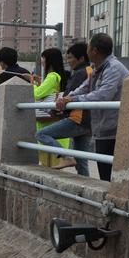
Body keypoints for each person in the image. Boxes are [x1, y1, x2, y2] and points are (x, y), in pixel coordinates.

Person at [56, 33, 129, 181]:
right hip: (104, 128)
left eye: (88, 47)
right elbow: (84, 88)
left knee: (112, 176)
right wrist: (67, 98)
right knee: (104, 174)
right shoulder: (97, 68)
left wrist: (72, 99)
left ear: (94, 50)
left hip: (117, 130)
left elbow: (103, 95)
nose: (87, 51)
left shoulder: (113, 68)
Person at [35, 43, 92, 175]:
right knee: (81, 161)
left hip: (78, 118)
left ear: (81, 58)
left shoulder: (79, 73)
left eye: (71, 57)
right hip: (90, 120)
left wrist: (55, 111)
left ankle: (66, 157)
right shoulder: (91, 71)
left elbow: (69, 94)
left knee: (41, 134)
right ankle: (84, 186)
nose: (68, 61)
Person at [29, 48, 70, 167]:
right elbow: (45, 92)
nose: (42, 62)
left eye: (43, 59)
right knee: (55, 168)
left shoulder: (52, 76)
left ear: (49, 60)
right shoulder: (59, 76)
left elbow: (36, 94)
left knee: (48, 165)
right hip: (55, 123)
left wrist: (31, 84)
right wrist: (39, 84)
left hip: (47, 124)